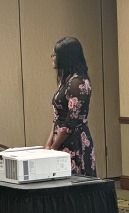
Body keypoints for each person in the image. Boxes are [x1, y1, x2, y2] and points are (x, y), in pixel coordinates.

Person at [45, 37, 96, 177]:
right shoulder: (66, 80)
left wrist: (54, 148)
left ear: (65, 57)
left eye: (55, 55)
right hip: (60, 139)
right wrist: (48, 145)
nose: (53, 58)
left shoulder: (78, 83)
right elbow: (57, 118)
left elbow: (70, 123)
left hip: (74, 142)